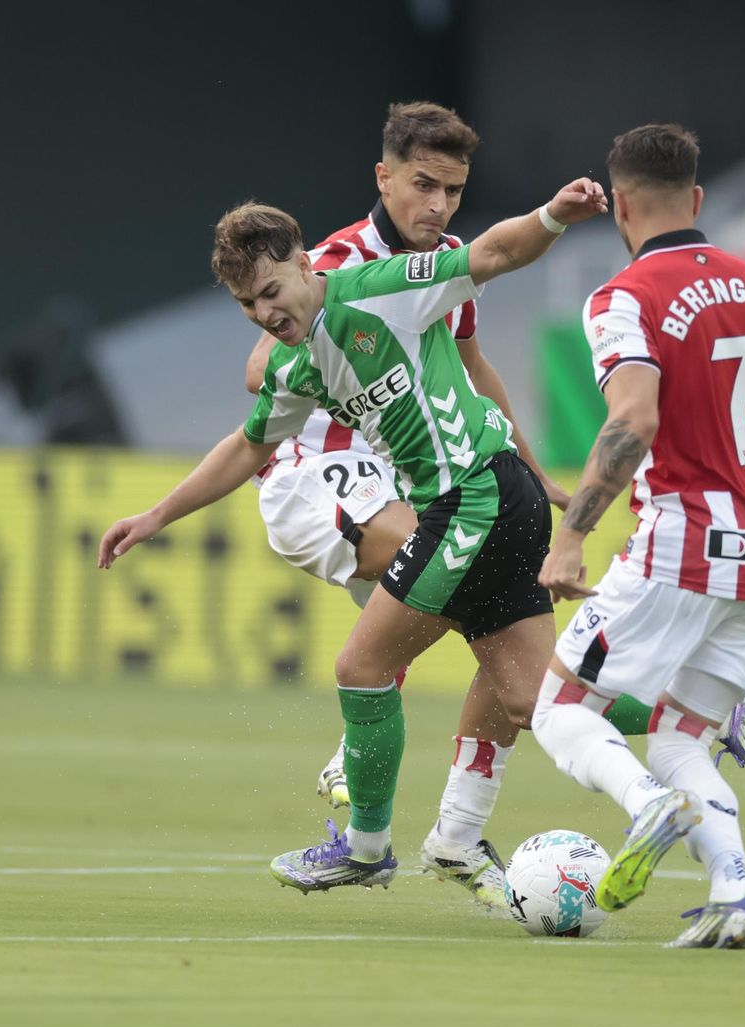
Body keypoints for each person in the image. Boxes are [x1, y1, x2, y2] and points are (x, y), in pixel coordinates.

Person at [98, 177, 609, 893]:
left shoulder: (379, 286)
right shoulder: (296, 362)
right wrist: (154, 516)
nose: (265, 312)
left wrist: (555, 215)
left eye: (272, 290)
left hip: (476, 499)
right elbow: (246, 448)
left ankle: (367, 845)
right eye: (248, 305)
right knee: (533, 702)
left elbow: (490, 253)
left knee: (361, 667)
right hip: (492, 502)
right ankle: (701, 709)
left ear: (308, 262)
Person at [236, 101, 566, 907]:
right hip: (322, 474)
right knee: (473, 589)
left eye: (453, 191)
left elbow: (474, 367)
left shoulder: (448, 260)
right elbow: (258, 371)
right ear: (384, 178)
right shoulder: (336, 260)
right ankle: (366, 757)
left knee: (506, 651)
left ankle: (456, 832)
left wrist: (529, 463)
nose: (439, 206)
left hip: (426, 478)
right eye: (424, 185)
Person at [531, 124, 745, 949]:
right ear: (697, 199)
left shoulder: (624, 296)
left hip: (689, 538)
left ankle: (645, 807)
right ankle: (734, 894)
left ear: (619, 204)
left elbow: (633, 418)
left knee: (559, 707)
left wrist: (571, 536)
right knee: (678, 731)